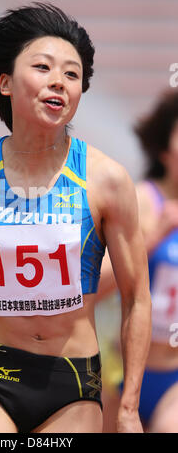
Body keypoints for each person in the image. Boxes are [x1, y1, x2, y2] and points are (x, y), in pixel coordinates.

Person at [0, 3, 151, 433]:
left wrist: (128, 408)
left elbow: (136, 299)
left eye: (72, 74)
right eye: (43, 67)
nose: (59, 81)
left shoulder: (107, 180)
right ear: (5, 82)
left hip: (73, 382)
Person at [98, 90, 178, 433]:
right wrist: (154, 235)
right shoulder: (141, 200)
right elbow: (94, 287)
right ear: (164, 148)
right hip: (123, 370)